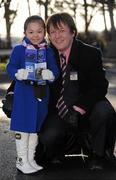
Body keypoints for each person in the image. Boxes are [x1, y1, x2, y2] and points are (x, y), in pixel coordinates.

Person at [35, 12, 116, 170]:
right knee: (49, 135)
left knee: (104, 111)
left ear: (73, 32)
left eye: (62, 31)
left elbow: (100, 86)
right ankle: (58, 151)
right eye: (53, 32)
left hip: (86, 108)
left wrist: (80, 108)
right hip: (58, 111)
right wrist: (11, 95)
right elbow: (27, 75)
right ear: (48, 35)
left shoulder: (90, 53)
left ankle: (97, 155)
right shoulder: (43, 55)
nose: (57, 36)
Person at [6, 15, 59, 174]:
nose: (35, 35)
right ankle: (21, 160)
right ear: (25, 33)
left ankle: (30, 159)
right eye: (31, 32)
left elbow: (55, 70)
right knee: (23, 128)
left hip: (41, 96)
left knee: (35, 129)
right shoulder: (19, 49)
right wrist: (17, 73)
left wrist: (51, 75)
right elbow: (10, 67)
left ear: (44, 33)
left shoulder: (48, 51)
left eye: (39, 31)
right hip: (24, 96)